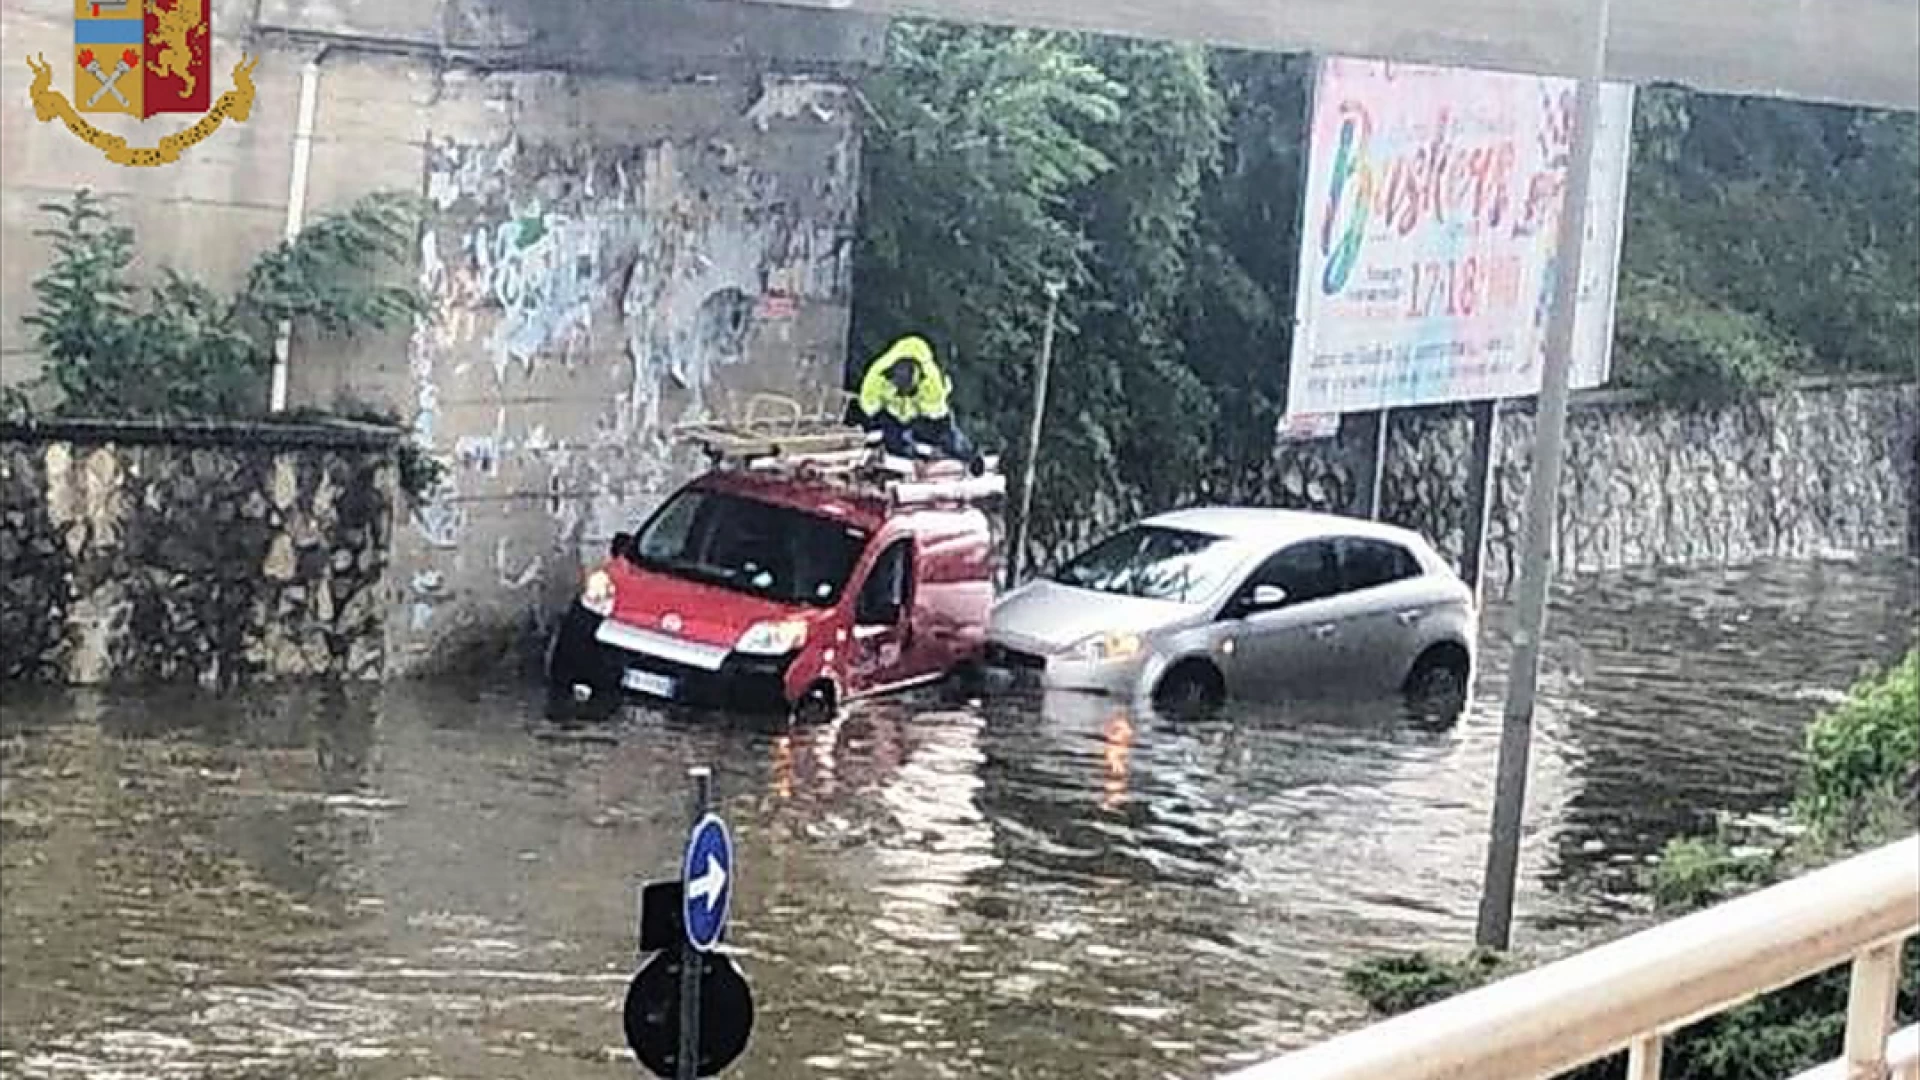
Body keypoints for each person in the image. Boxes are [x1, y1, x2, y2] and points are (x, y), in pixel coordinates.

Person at [853, 334, 977, 465]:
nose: (903, 391)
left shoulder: (931, 383)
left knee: (946, 438)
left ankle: (969, 457)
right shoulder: (876, 378)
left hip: (926, 413)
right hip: (894, 414)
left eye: (907, 389)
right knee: (893, 440)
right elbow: (868, 406)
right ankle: (903, 461)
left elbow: (934, 414)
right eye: (899, 387)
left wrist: (916, 429)